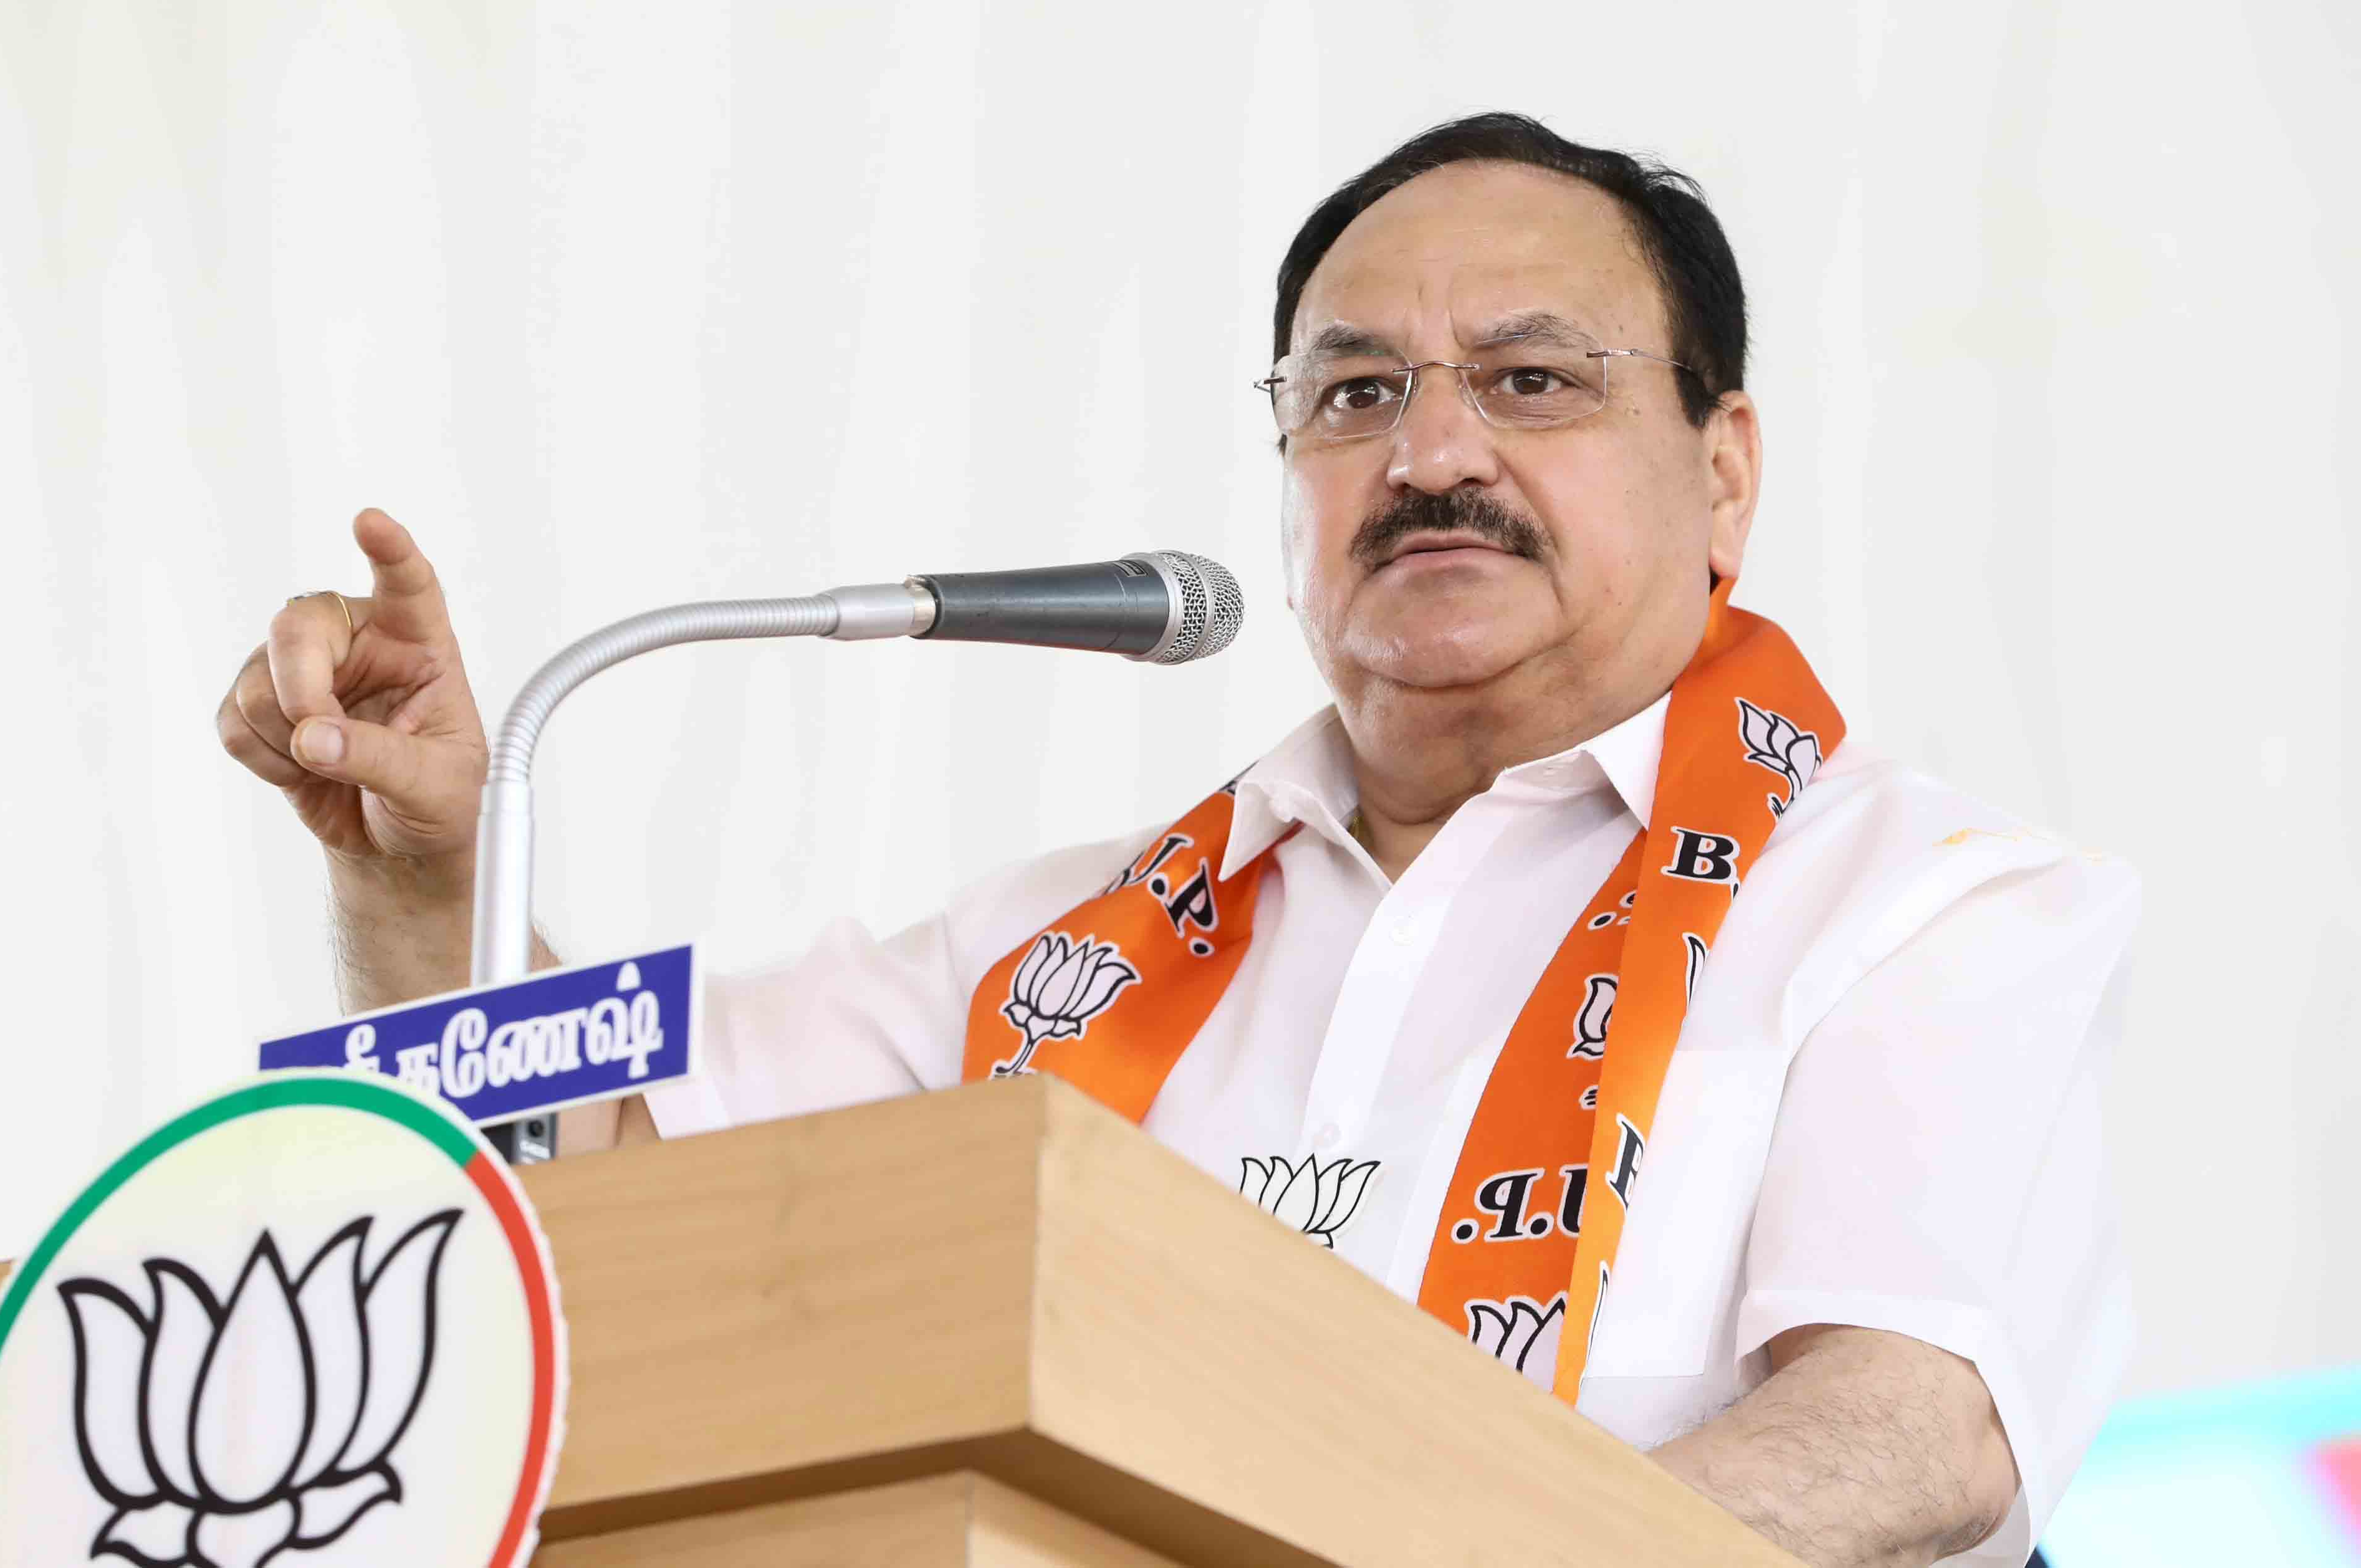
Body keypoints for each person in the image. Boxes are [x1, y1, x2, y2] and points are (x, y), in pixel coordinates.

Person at [216, 114, 2135, 1568]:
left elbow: (1907, 1429)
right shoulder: (1051, 949)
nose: (1432, 452)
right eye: (1355, 393)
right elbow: (609, 1223)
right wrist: (423, 878)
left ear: (1724, 471)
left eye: (1534, 380)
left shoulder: (1924, 901)